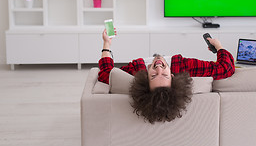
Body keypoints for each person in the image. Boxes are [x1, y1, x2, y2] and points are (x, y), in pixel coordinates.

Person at [98, 29, 235, 124]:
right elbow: (225, 69)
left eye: (153, 76)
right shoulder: (184, 68)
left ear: (145, 79)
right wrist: (219, 47)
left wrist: (106, 43)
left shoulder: (134, 71)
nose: (158, 67)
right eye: (164, 74)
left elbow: (106, 74)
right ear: (173, 77)